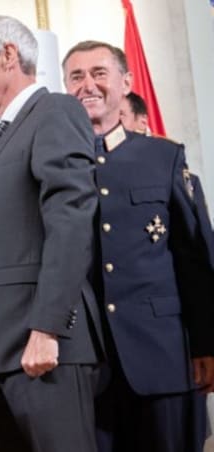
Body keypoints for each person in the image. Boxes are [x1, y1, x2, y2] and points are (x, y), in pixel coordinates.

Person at [0, 16, 102, 452]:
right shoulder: (2, 137)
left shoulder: (55, 111)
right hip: (3, 355)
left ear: (8, 55)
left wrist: (47, 327)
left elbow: (72, 217)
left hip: (43, 351)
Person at [63, 40, 214, 452]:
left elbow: (194, 259)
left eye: (99, 73)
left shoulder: (163, 157)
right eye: (76, 76)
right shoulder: (51, 165)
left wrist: (206, 343)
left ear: (126, 83)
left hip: (162, 355)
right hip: (85, 364)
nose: (87, 85)